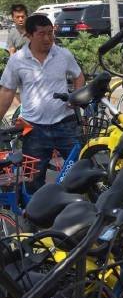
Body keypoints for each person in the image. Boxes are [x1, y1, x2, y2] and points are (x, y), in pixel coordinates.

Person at [0, 14, 85, 191]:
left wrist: (76, 98)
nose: (47, 38)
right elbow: (7, 92)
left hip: (65, 123)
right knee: (33, 178)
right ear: (29, 35)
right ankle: (37, 207)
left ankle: (81, 203)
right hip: (33, 129)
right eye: (41, 34)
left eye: (50, 33)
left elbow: (78, 76)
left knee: (80, 168)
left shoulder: (63, 54)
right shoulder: (17, 60)